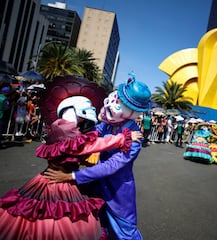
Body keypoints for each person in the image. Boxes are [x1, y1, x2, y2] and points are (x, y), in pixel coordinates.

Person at [0, 93, 141, 239]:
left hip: (47, 178)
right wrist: (123, 138)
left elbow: (88, 144)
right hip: (61, 181)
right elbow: (90, 146)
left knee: (32, 217)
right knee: (62, 221)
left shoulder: (59, 126)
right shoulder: (69, 131)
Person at [44, 74, 151, 239]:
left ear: (133, 112)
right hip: (96, 185)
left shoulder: (134, 137)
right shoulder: (108, 123)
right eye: (118, 98)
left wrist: (72, 175)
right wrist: (68, 131)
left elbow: (111, 166)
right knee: (98, 226)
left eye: (121, 103)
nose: (113, 103)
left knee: (125, 232)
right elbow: (92, 136)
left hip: (118, 192)